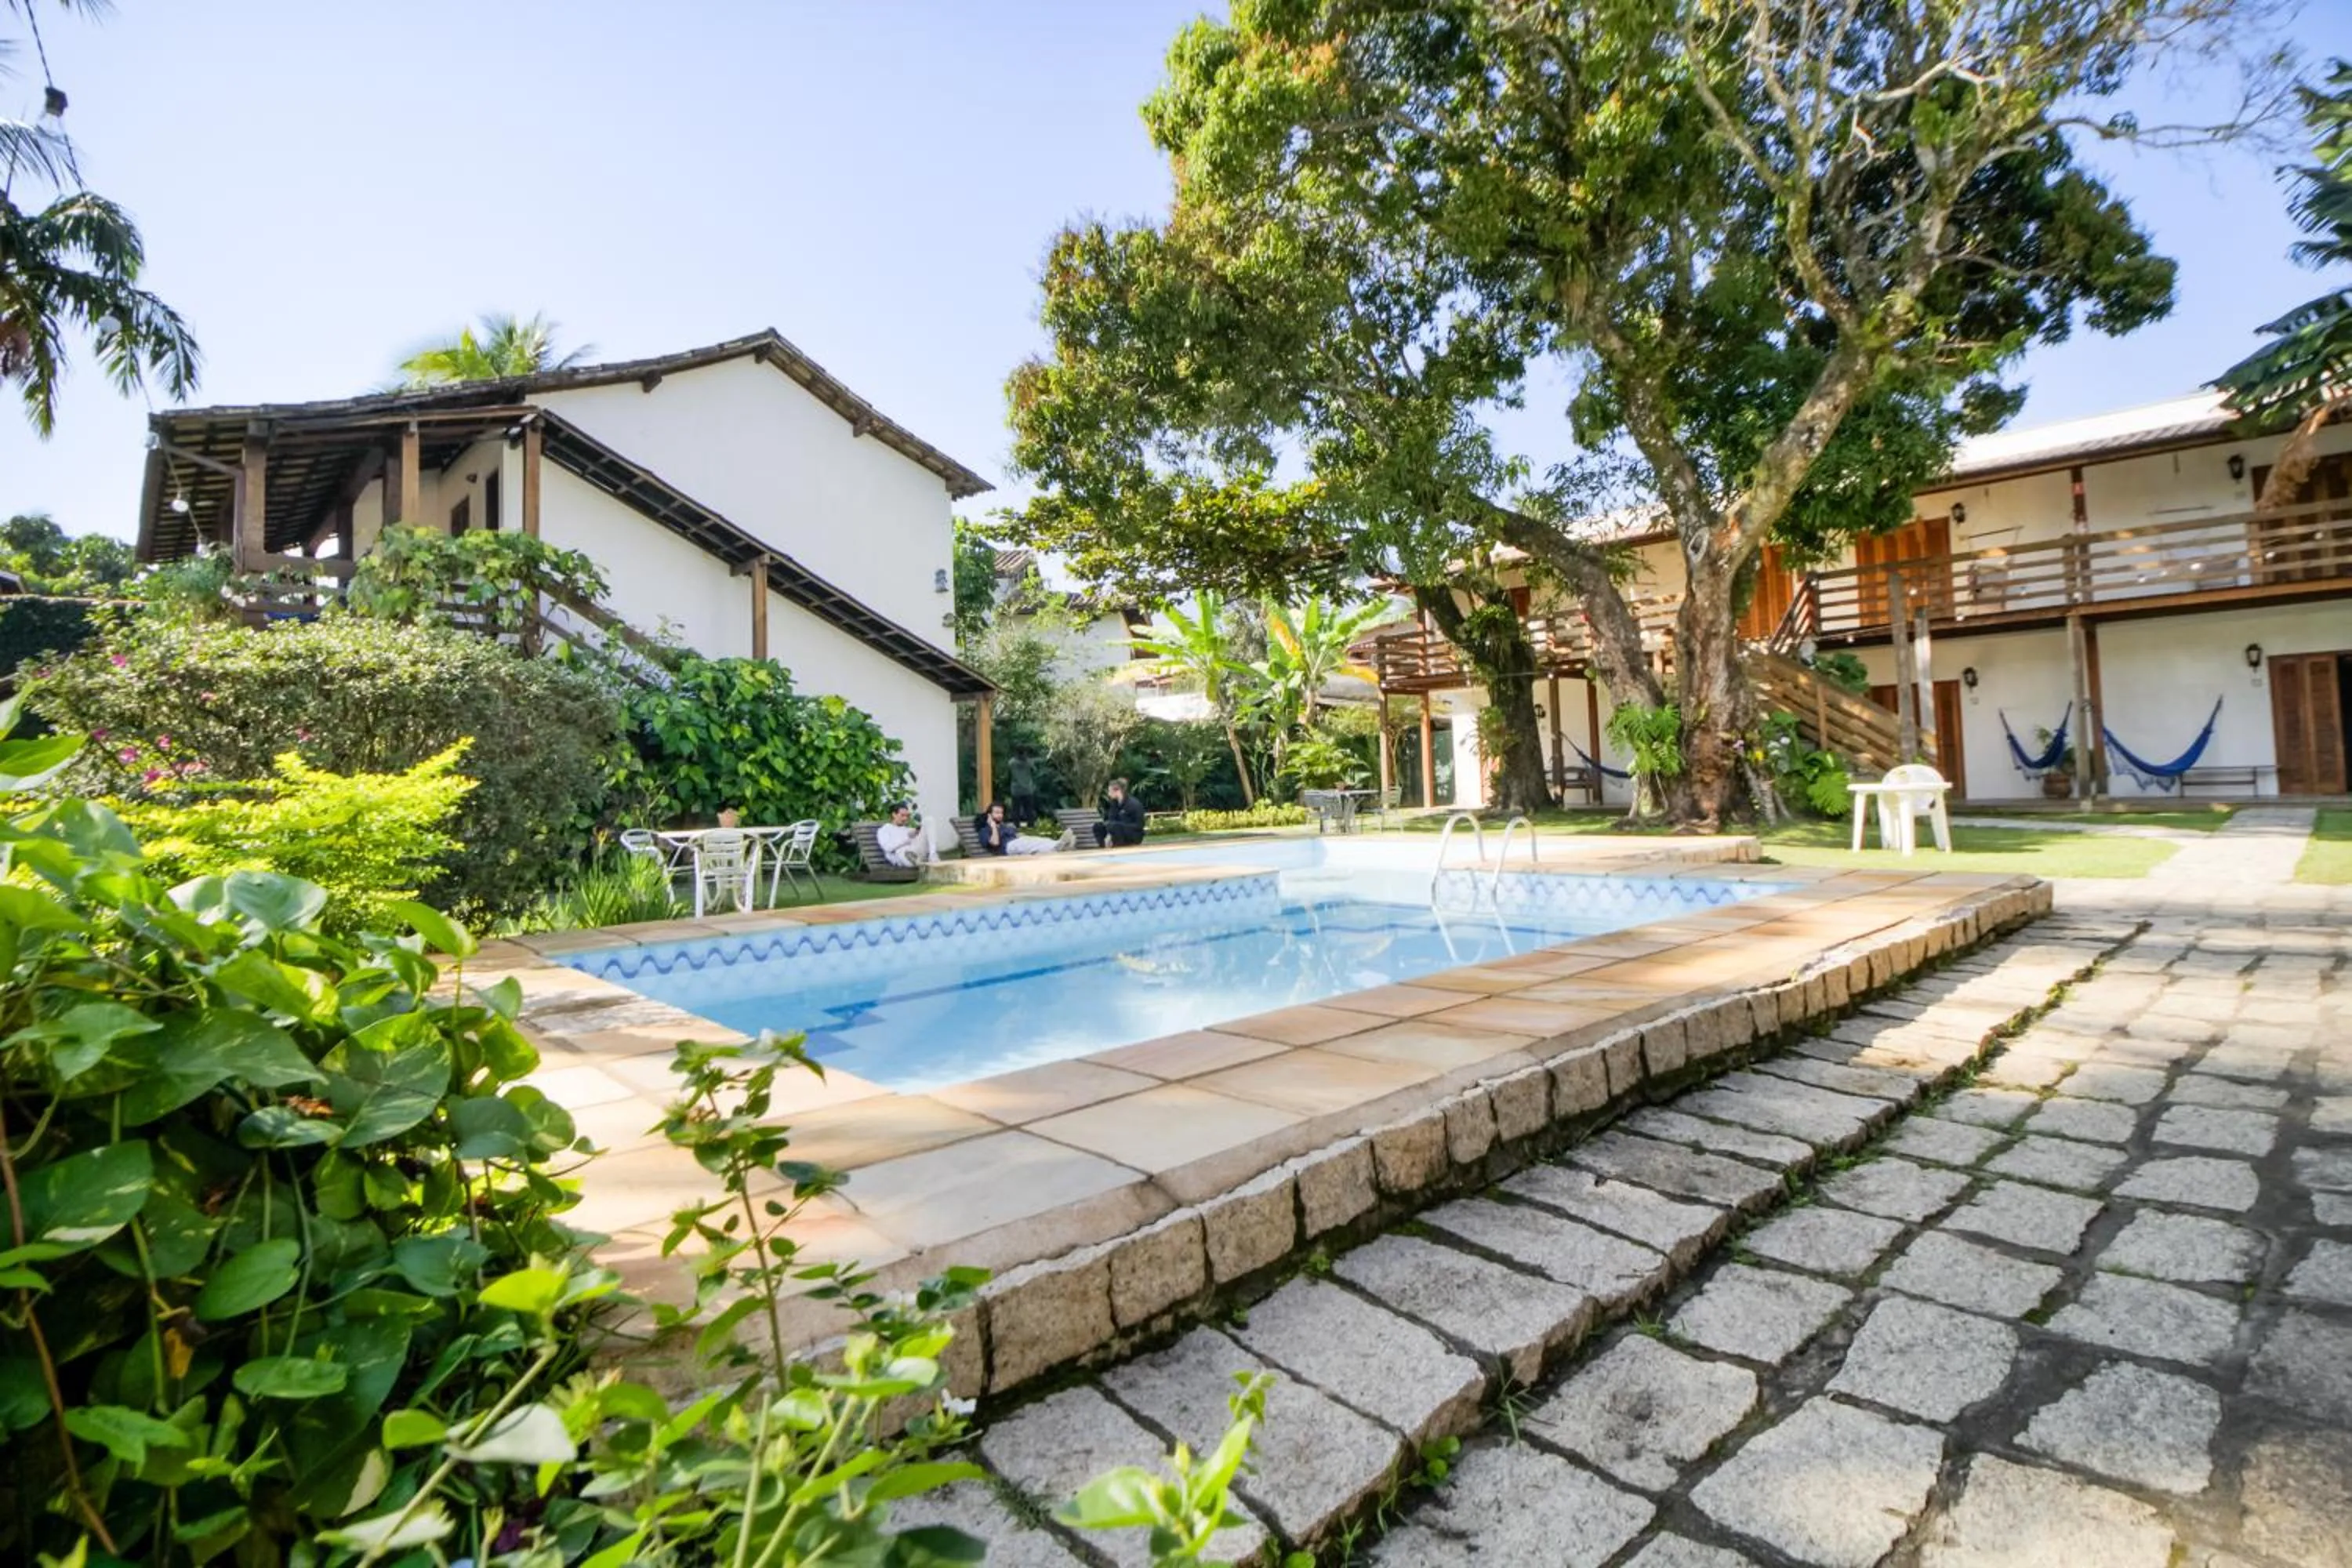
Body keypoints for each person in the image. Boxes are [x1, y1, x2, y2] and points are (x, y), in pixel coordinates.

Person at [978, 800, 1071, 856]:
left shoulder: (1004, 826)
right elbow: (995, 843)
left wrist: (1021, 835)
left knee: (1036, 840)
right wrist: (993, 826)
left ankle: (1058, 844)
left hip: (1016, 843)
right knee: (1027, 843)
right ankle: (1058, 845)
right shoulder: (984, 830)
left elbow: (1017, 835)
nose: (1000, 815)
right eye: (997, 813)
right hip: (1007, 848)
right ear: (989, 815)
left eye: (1001, 813)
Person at [1094, 779, 1147, 848]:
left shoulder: (1133, 804)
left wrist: (1119, 826)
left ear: (1118, 791)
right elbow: (1111, 819)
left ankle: (1119, 847)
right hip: (1118, 829)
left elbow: (1139, 825)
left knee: (1115, 826)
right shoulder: (1114, 804)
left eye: (1110, 791)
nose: (1109, 794)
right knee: (1098, 826)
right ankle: (1102, 847)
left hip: (1134, 833)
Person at [875, 803, 927, 868]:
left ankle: (931, 857)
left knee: (929, 821)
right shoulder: (884, 830)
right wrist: (907, 838)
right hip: (900, 857)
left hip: (914, 852)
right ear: (894, 815)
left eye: (907, 816)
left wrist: (918, 833)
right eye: (902, 815)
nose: (905, 818)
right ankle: (919, 862)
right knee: (901, 850)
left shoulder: (907, 829)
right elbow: (887, 848)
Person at [1008, 753, 1038, 826]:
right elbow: (1035, 771)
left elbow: (1008, 774)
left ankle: (1016, 825)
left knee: (1016, 809)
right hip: (1027, 789)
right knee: (1029, 809)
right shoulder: (1029, 762)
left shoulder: (1011, 762)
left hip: (1016, 789)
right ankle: (1031, 825)